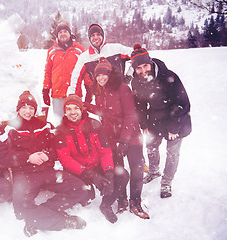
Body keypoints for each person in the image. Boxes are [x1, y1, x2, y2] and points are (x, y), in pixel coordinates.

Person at [0, 91, 88, 237]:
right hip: (25, 176)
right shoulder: (8, 129)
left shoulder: (45, 126)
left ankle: (40, 215)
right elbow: (0, 157)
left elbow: (58, 147)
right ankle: (62, 221)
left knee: (80, 189)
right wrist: (27, 158)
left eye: (31, 108)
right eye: (24, 107)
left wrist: (47, 154)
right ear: (18, 109)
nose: (28, 111)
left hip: (47, 172)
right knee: (20, 211)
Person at [84, 60, 149, 219]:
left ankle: (135, 202)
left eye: (103, 74)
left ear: (110, 74)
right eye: (97, 75)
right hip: (111, 138)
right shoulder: (99, 92)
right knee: (119, 170)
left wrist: (125, 139)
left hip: (131, 135)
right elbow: (102, 112)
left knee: (136, 168)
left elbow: (130, 115)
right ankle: (122, 200)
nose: (100, 78)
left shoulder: (123, 89)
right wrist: (84, 105)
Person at [54, 94, 129, 223]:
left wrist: (109, 173)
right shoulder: (61, 131)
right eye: (69, 109)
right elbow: (65, 159)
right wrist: (90, 175)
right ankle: (88, 191)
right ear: (65, 112)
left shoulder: (94, 125)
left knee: (122, 175)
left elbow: (105, 151)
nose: (73, 112)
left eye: (76, 108)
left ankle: (106, 204)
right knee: (87, 196)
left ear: (82, 109)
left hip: (96, 165)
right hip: (78, 170)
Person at [130, 44, 191, 198]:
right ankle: (153, 171)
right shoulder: (136, 81)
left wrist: (174, 128)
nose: (143, 71)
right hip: (156, 118)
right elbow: (140, 104)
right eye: (139, 68)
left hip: (176, 119)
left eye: (145, 66)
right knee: (151, 146)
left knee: (172, 153)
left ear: (150, 62)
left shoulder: (169, 77)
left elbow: (182, 103)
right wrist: (143, 123)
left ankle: (166, 183)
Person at [67, 23, 131, 102]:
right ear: (89, 38)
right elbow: (76, 77)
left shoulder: (116, 49)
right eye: (92, 35)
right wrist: (72, 94)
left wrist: (129, 75)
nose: (96, 37)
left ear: (103, 36)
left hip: (121, 94)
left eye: (98, 34)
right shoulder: (84, 57)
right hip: (101, 97)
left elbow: (138, 56)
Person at [42, 20, 86, 123]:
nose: (63, 34)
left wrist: (89, 87)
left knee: (76, 122)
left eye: (65, 31)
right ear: (57, 35)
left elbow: (86, 71)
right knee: (59, 123)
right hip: (57, 94)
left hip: (74, 93)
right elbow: (48, 72)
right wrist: (45, 90)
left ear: (70, 33)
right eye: (60, 32)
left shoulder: (79, 49)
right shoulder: (51, 51)